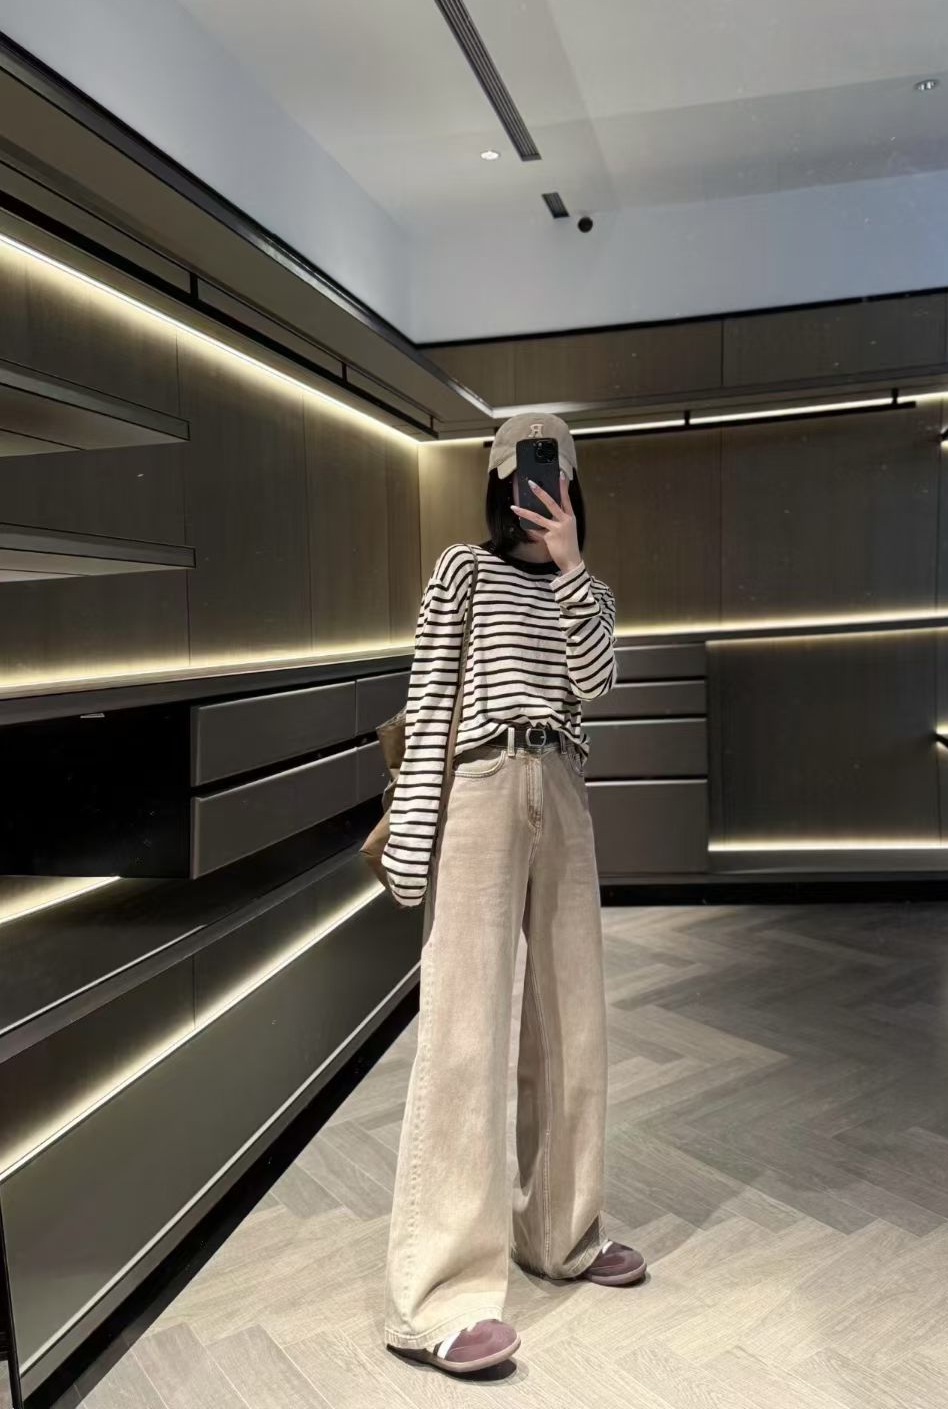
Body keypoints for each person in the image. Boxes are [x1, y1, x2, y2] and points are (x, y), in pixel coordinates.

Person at [381, 412, 647, 1374]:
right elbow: (431, 698)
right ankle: (439, 1296)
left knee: (572, 1020)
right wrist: (414, 837)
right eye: (524, 475)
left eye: (556, 474)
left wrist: (571, 566)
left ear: (573, 485)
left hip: (564, 783)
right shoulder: (462, 570)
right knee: (465, 1029)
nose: (540, 490)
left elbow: (597, 681)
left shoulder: (590, 591)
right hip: (482, 782)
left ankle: (561, 1236)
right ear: (499, 483)